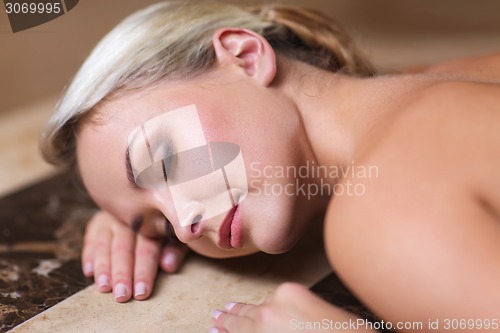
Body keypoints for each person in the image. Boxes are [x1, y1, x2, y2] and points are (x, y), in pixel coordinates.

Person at [40, 1, 500, 332]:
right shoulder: (449, 83)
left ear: (245, 56)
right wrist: (128, 208)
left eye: (164, 161)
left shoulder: (377, 216)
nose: (185, 224)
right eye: (161, 226)